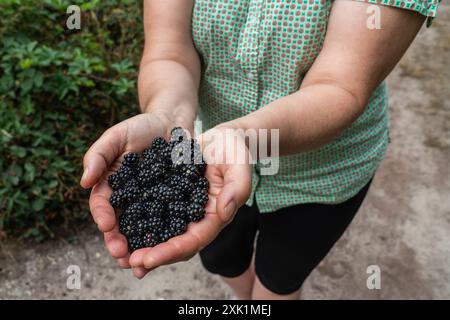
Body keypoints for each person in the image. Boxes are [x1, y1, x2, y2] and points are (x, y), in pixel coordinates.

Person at [80, 0, 440, 300]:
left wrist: (242, 138)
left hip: (322, 174)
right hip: (206, 158)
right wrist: (166, 117)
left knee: (280, 279)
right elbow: (170, 53)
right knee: (222, 260)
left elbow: (339, 86)